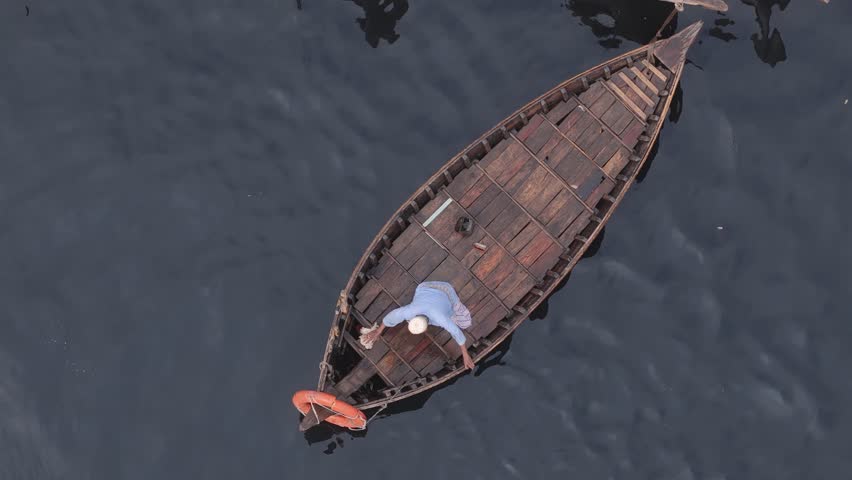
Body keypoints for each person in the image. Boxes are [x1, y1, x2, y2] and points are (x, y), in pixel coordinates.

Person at [360, 281, 475, 370]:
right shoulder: (410, 312)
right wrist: (378, 331)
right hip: (424, 287)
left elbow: (455, 331)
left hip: (444, 290)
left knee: (465, 323)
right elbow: (393, 315)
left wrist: (465, 354)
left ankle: (448, 304)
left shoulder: (440, 318)